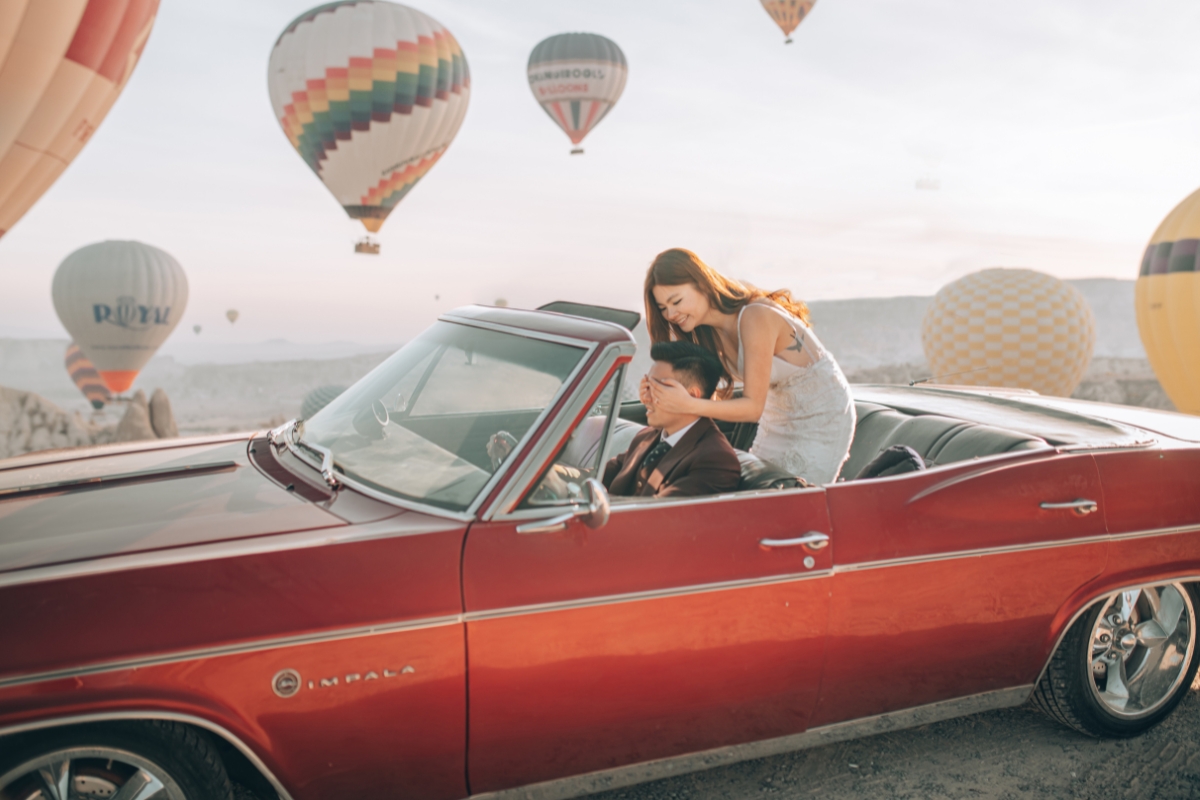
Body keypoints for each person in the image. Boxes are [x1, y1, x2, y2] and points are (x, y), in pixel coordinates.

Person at [641, 248, 855, 485]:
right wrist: (658, 396)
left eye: (676, 301)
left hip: (824, 414)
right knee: (760, 493)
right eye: (662, 308)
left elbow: (752, 407)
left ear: (701, 284)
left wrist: (687, 404)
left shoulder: (755, 317)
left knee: (794, 495)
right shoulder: (705, 333)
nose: (671, 314)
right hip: (776, 415)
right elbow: (704, 401)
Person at [604, 341, 741, 498]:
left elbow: (656, 515)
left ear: (692, 396)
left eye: (658, 389)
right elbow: (600, 475)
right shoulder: (646, 437)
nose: (646, 398)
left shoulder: (715, 460)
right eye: (647, 386)